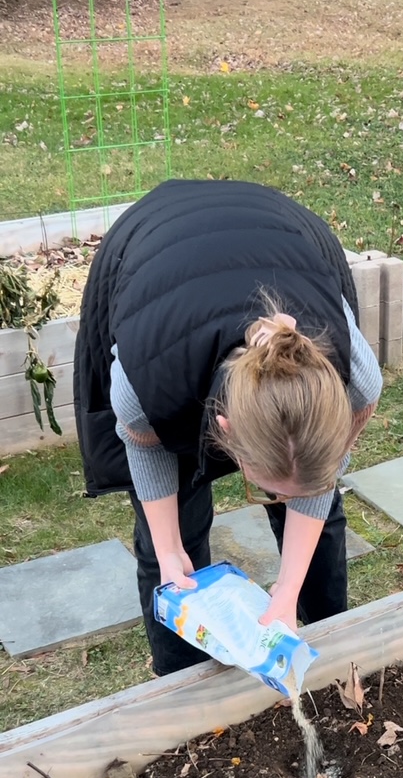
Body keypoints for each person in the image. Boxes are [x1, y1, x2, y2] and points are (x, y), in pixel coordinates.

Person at [73, 178, 383, 676]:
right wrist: (169, 550)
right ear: (225, 430)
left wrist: (286, 589)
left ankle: (326, 644)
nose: (278, 499)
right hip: (155, 252)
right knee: (170, 546)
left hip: (285, 234)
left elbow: (313, 478)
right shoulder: (148, 385)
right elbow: (145, 446)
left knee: (315, 504)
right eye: (266, 490)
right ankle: (180, 684)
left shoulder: (356, 383)